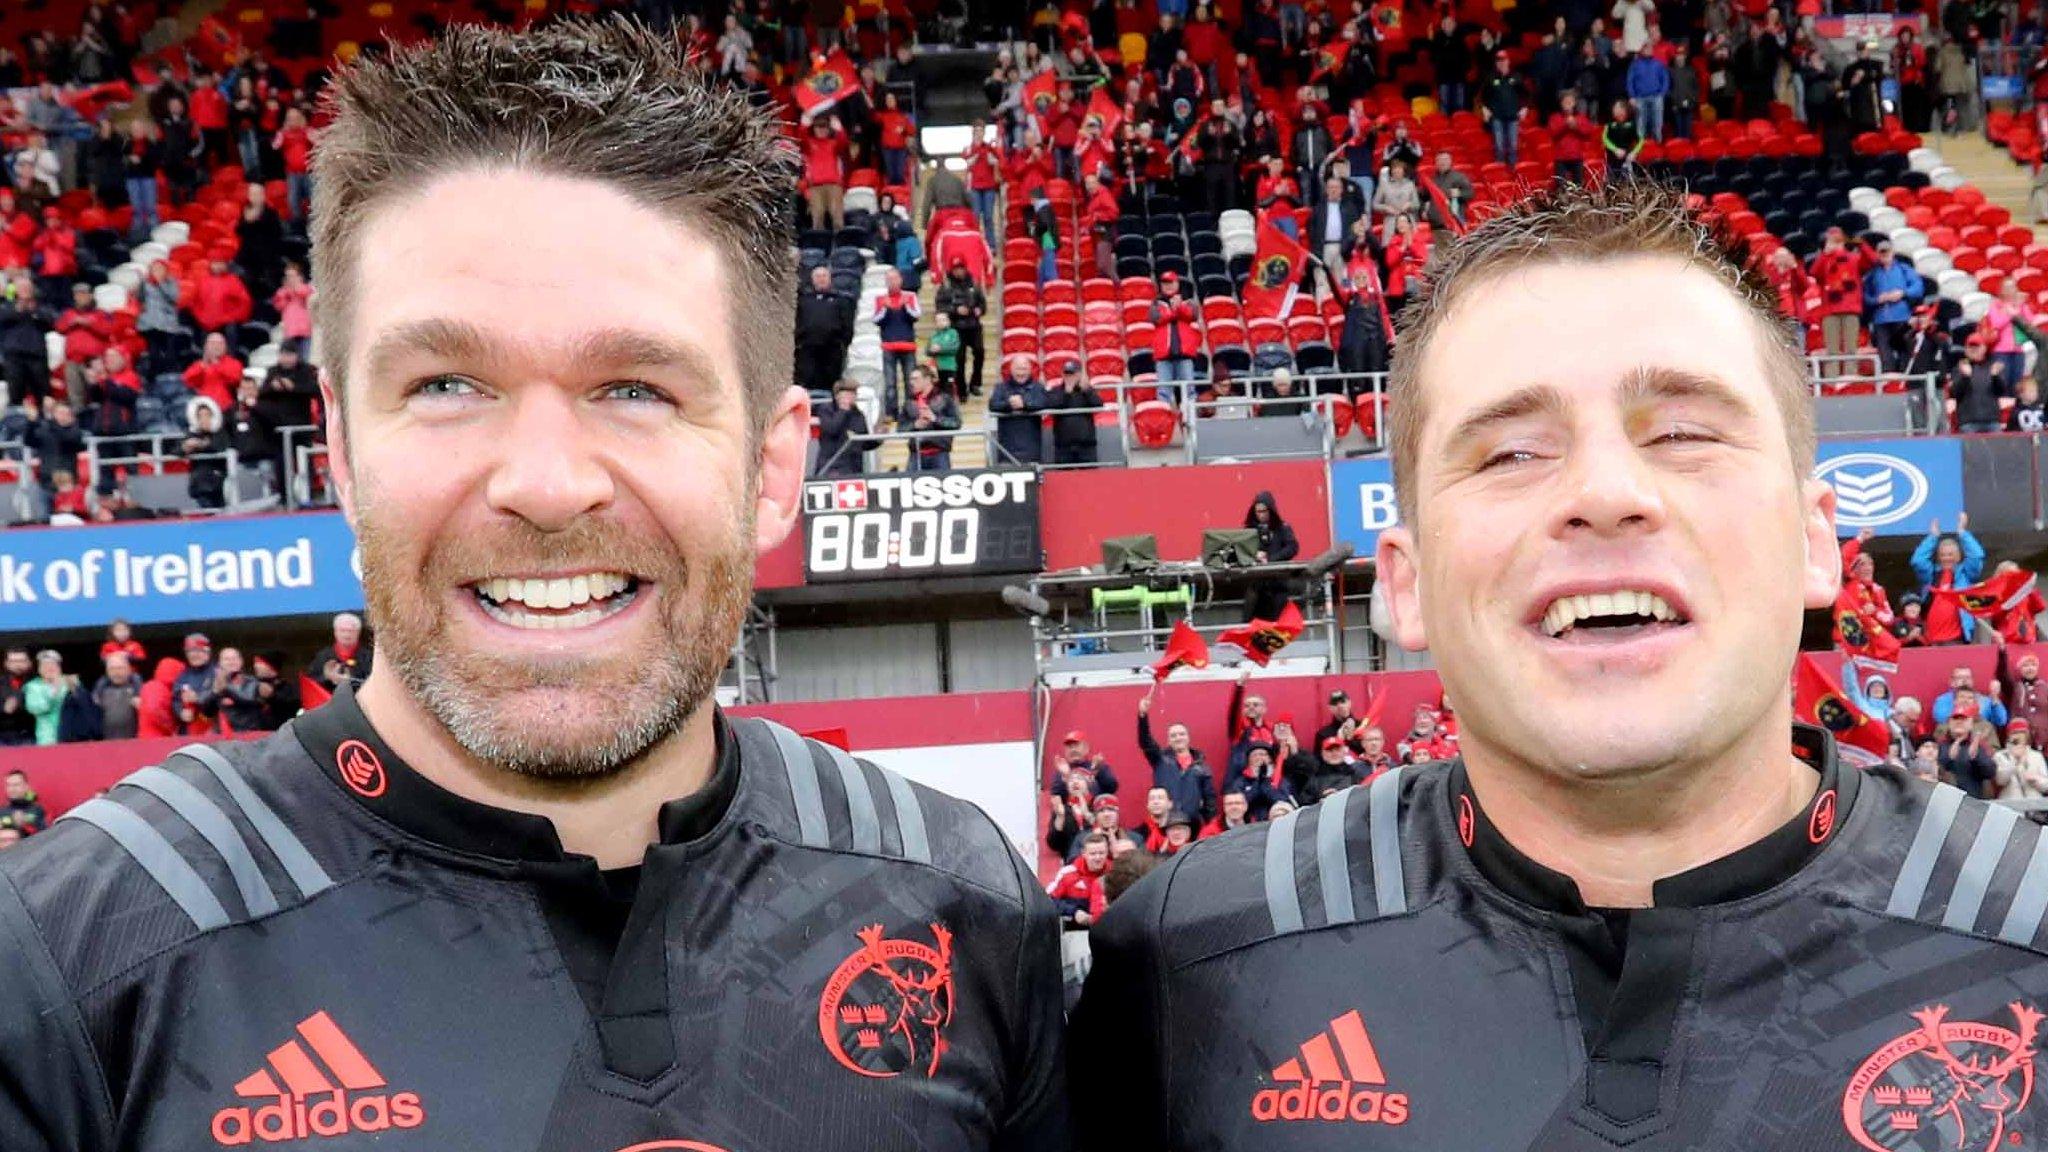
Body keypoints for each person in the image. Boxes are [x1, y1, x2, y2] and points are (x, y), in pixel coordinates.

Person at [0, 26, 1069, 1151]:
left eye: (637, 388)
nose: (546, 485)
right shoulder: (67, 959)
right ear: (344, 452)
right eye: (448, 382)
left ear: (771, 466)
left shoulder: (961, 902)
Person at [1074, 177, 2048, 1151]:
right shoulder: (1192, 962)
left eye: (1681, 433)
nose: (1606, 491)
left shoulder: (2025, 929)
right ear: (1402, 586)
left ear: (1814, 543)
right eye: (1507, 455)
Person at [1136, 686, 1218, 829]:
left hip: (1192, 825)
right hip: (1164, 824)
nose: (1178, 738)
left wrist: (1211, 826)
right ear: (1168, 740)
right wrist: (1143, 716)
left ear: (1188, 738)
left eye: (1181, 734)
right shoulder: (1160, 759)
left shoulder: (1202, 767)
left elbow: (1210, 800)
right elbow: (1145, 741)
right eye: (1173, 735)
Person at [1912, 515, 1986, 643]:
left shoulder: (1966, 574)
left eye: (1950, 554)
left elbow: (1977, 556)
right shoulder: (1932, 574)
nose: (1946, 558)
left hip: (1956, 639)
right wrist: (1933, 537)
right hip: (1931, 640)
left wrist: (1962, 533)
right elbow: (1917, 561)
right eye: (1943, 555)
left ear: (1958, 556)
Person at [1862, 239, 1925, 374]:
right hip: (1881, 319)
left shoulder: (1904, 269)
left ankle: (1905, 378)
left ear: (1892, 252)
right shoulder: (1872, 273)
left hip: (1901, 317)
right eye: (1881, 252)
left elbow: (1918, 287)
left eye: (1887, 251)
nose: (1884, 255)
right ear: (1877, 254)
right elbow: (1864, 296)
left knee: (1905, 350)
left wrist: (1902, 293)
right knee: (1884, 352)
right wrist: (1877, 299)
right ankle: (1888, 380)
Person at [793, 264, 855, 398]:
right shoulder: (803, 300)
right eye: (818, 276)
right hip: (807, 351)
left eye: (824, 276)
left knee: (830, 385)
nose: (821, 279)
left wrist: (842, 344)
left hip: (832, 352)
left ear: (830, 278)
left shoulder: (840, 300)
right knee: (806, 385)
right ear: (812, 279)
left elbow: (847, 325)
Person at [1241, 490, 1299, 620]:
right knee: (1250, 620)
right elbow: (1242, 549)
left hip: (1278, 583)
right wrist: (1254, 555)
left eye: (1264, 511)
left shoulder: (1282, 528)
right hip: (1257, 583)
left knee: (1275, 622)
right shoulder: (1249, 530)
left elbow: (1292, 547)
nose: (1261, 515)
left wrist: (1271, 559)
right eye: (1258, 512)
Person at [934, 258, 987, 396]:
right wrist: (955, 310)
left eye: (961, 268)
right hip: (956, 327)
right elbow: (940, 306)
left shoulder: (974, 283)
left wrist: (979, 310)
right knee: (960, 358)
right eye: (956, 268)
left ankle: (975, 383)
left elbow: (982, 303)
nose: (959, 271)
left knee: (979, 352)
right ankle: (961, 389)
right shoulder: (946, 286)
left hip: (973, 325)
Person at [1149, 271, 1201, 403]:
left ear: (1177, 283)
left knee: (1189, 391)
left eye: (1171, 282)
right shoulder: (1156, 304)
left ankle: (1191, 420)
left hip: (1184, 354)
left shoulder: (1189, 301)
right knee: (1163, 392)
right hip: (1163, 356)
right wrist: (1174, 310)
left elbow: (1192, 315)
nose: (1168, 286)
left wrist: (1179, 307)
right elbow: (1157, 318)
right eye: (1165, 283)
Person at [991, 354, 1049, 465]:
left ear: (1030, 370)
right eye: (1018, 368)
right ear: (1011, 370)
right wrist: (1009, 404)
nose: (1021, 373)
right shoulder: (1001, 387)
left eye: (1024, 369)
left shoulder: (1038, 387)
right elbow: (993, 404)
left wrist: (1025, 404)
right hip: (1007, 452)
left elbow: (1044, 402)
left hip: (1032, 452)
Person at [1048, 832, 1113, 929]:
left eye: (1101, 853)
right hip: (1075, 931)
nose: (1097, 858)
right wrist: (1074, 911)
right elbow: (1049, 900)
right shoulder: (1068, 873)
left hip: (1109, 929)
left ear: (1107, 852)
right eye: (1093, 854)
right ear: (1084, 853)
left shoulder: (1116, 872)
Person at [904, 366, 962, 472]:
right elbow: (900, 428)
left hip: (939, 453)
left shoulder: (945, 398)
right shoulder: (909, 402)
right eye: (911, 379)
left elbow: (956, 423)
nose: (911, 382)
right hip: (915, 454)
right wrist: (915, 425)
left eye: (916, 379)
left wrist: (935, 419)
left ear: (927, 380)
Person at [1046, 359, 1102, 466]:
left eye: (1073, 374)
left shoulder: (1087, 390)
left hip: (1086, 444)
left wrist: (1087, 391)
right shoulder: (1056, 390)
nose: (1070, 377)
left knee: (1090, 477)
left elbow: (1098, 405)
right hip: (1063, 445)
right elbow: (1052, 406)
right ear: (1062, 374)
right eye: (1067, 373)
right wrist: (1066, 393)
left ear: (1079, 374)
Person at [1949, 333, 2008, 432]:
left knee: (1997, 447)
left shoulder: (1993, 366)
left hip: (1992, 420)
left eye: (1977, 346)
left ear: (1984, 348)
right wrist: (1965, 377)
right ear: (1966, 349)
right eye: (1970, 346)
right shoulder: (1959, 368)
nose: (1973, 349)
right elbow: (1954, 393)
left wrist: (1995, 377)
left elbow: (2002, 391)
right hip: (1968, 422)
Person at [813, 378, 869, 477]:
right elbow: (831, 429)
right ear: (837, 396)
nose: (851, 397)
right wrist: (843, 411)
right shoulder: (826, 410)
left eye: (853, 394)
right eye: (847, 394)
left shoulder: (858, 414)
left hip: (854, 467)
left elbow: (863, 442)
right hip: (832, 466)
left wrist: (878, 439)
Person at [92, 651, 142, 741]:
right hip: (106, 743)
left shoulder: (138, 689)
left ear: (129, 669)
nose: (116, 672)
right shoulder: (100, 691)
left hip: (133, 742)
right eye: (112, 669)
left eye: (120, 668)